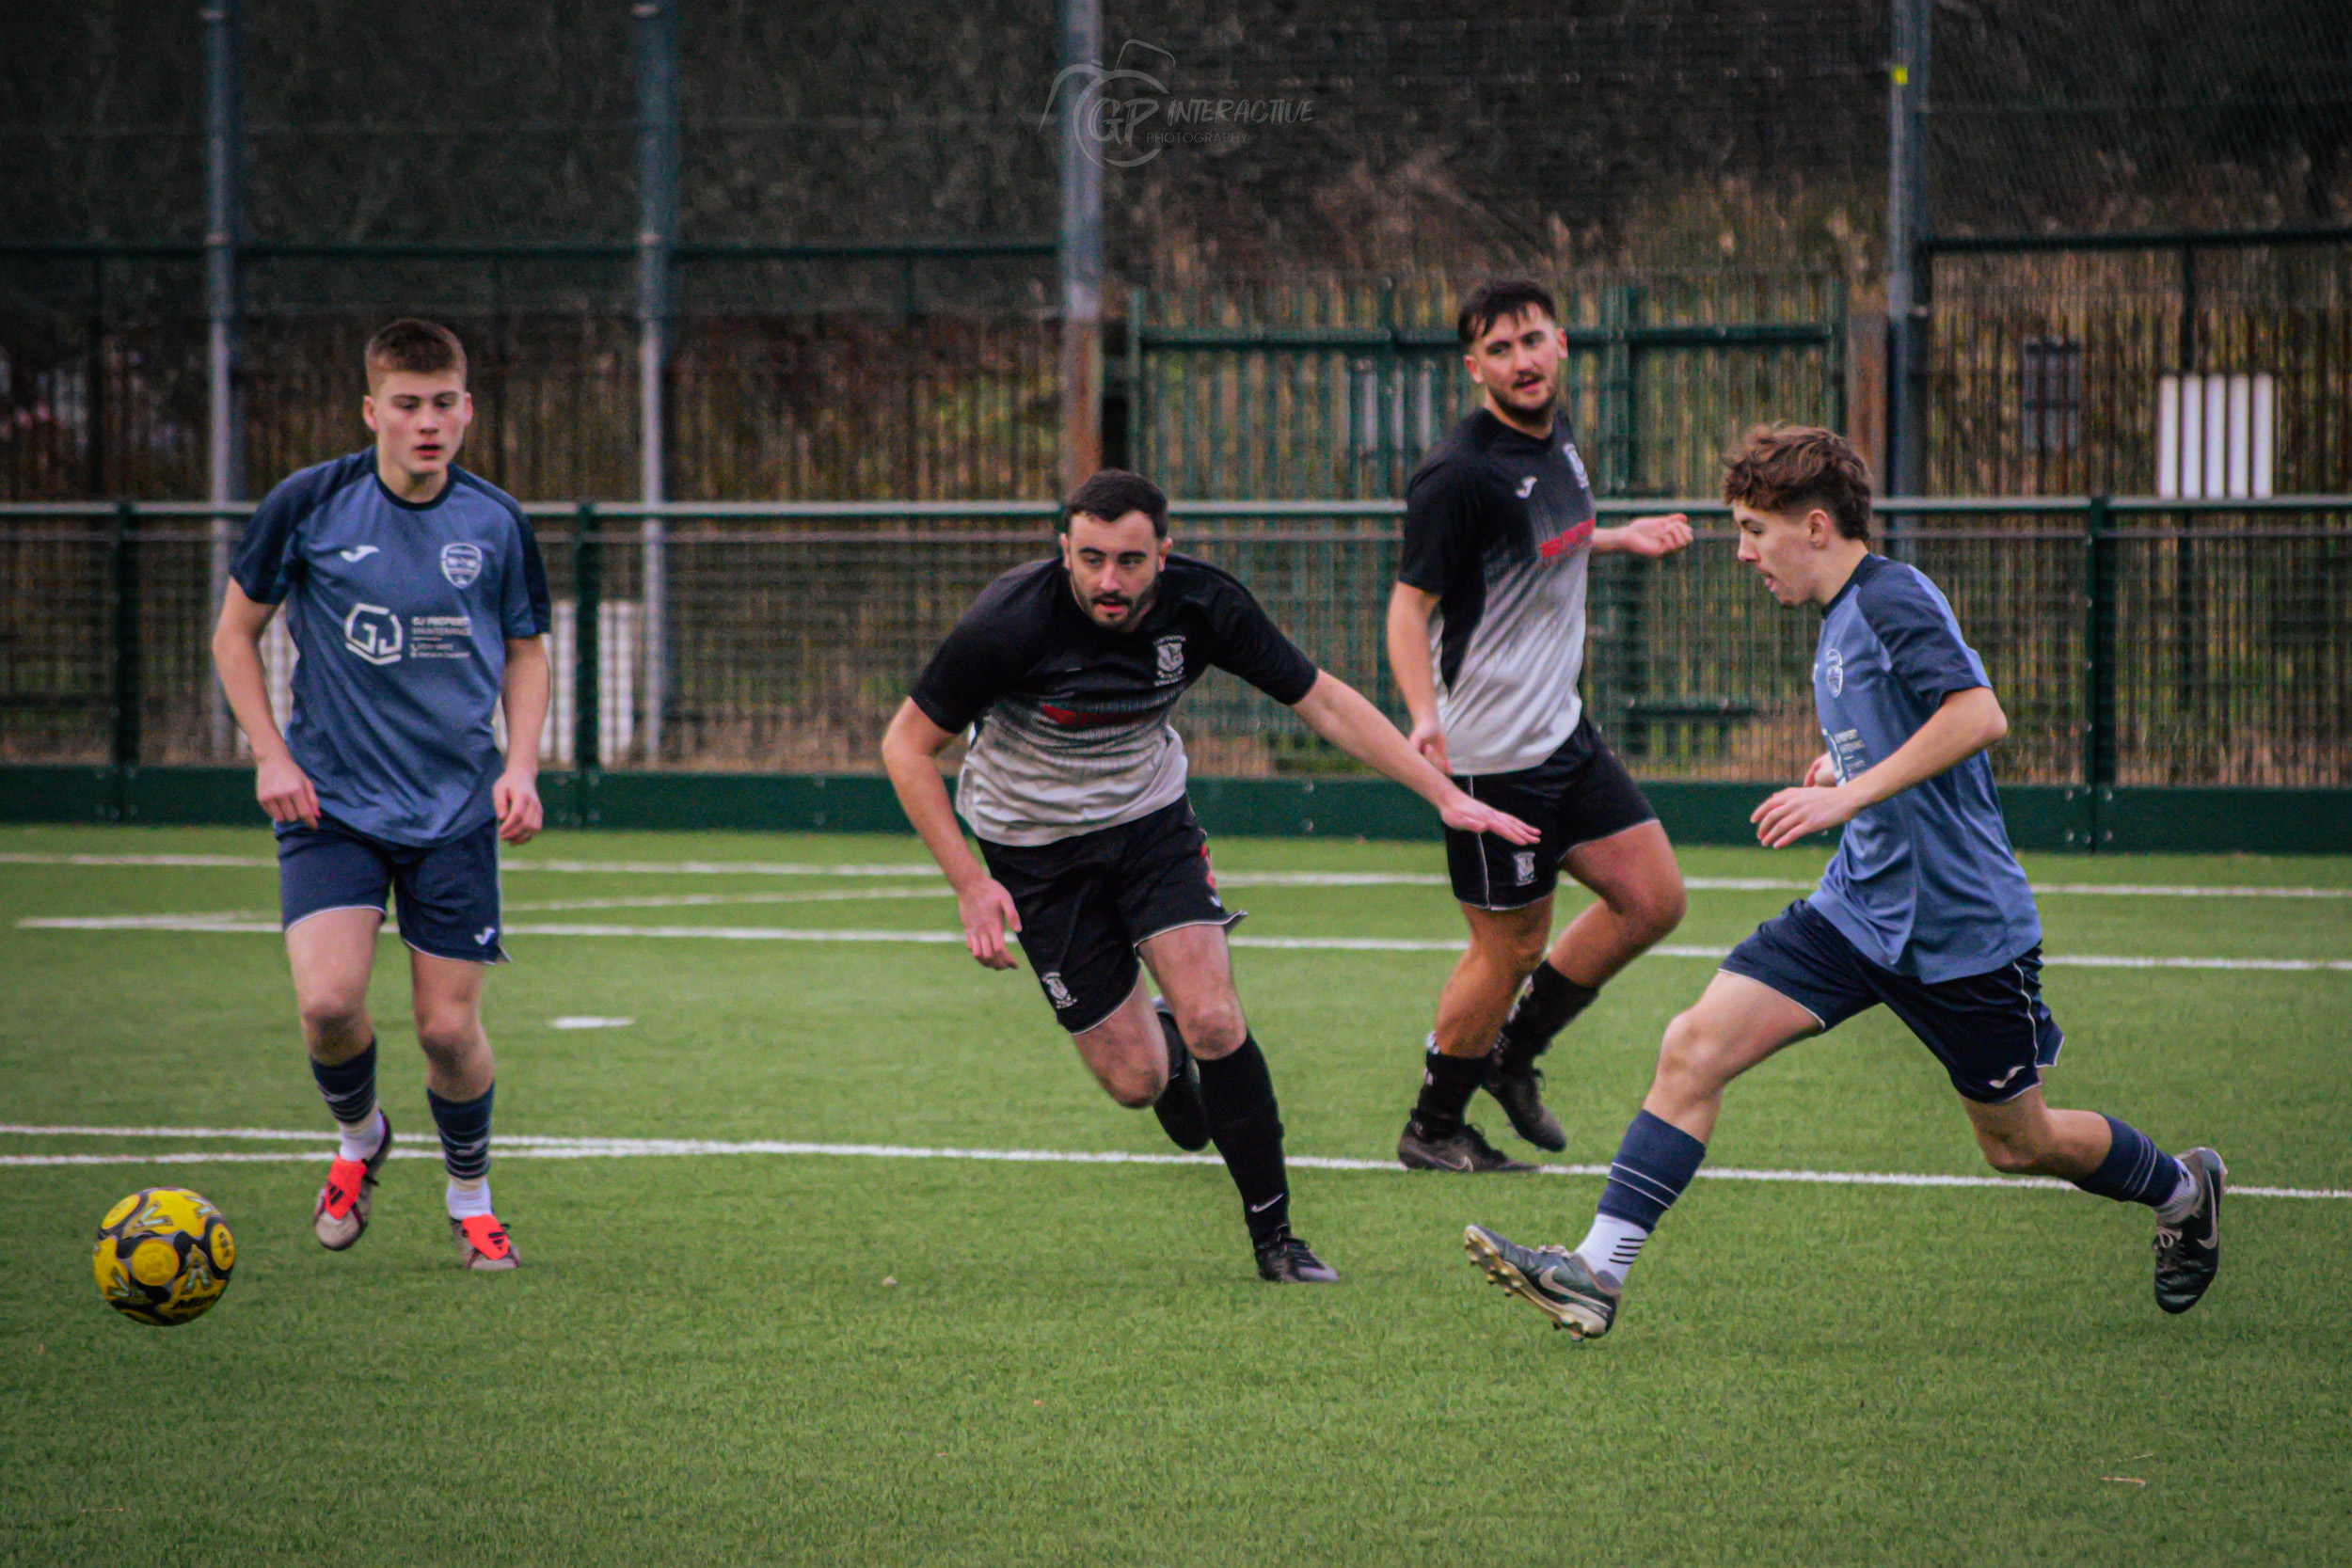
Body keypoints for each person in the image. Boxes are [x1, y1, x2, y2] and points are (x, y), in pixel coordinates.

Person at [1464, 425, 2225, 1338]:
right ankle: (1597, 1268)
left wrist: (1847, 792)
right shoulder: (1837, 621)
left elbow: (1978, 714)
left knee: (2018, 1142)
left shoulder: (1891, 596)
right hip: (1856, 911)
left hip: (1960, 930)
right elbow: (1906, 720)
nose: (1742, 552)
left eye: (1753, 529)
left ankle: (2184, 1190)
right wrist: (1845, 764)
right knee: (1693, 1044)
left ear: (1815, 525)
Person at [881, 468, 1537, 1283]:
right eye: (1089, 560)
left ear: (1165, 550)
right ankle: (1163, 1046)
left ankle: (1277, 1239)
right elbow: (906, 746)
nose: (1107, 582)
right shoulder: (1009, 621)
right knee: (1136, 1081)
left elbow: (1322, 700)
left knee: (1218, 1018)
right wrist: (971, 883)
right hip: (1035, 853)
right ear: (1065, 552)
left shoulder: (1204, 606)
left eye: (1128, 560)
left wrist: (1442, 793)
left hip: (1149, 827)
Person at [211, 317, 551, 1273]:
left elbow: (526, 650)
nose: (427, 422)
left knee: (447, 1028)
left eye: (444, 402)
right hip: (332, 802)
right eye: (407, 404)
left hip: (452, 808)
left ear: (468, 408)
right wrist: (270, 754)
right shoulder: (310, 504)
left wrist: (518, 766)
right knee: (327, 1002)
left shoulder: (494, 521)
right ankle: (360, 1138)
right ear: (372, 411)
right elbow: (234, 636)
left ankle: (471, 1195)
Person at [1387, 279, 1694, 1173]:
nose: (1522, 360)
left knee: (1654, 899)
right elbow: (1408, 610)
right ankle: (1434, 1123)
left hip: (1561, 734)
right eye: (1500, 348)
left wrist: (1619, 536)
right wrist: (1421, 717)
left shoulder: (1552, 434)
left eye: (1533, 340)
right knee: (1510, 946)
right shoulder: (1457, 473)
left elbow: (1538, 538)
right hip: (1491, 758)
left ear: (1560, 343)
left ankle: (1513, 1056)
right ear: (1473, 364)